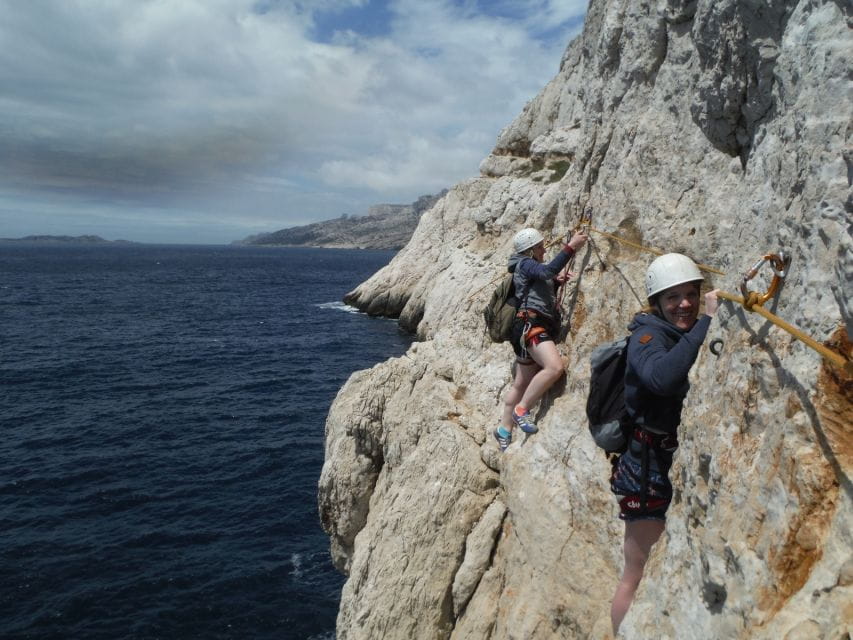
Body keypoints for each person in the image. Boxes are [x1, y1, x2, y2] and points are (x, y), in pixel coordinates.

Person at [609, 253, 720, 633]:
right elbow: (661, 379)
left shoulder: (671, 332)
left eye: (691, 294)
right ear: (656, 302)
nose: (684, 304)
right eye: (673, 297)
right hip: (645, 471)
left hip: (662, 460)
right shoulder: (647, 337)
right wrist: (706, 322)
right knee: (637, 571)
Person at [494, 226, 589, 451]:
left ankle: (504, 429)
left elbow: (539, 285)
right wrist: (571, 247)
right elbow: (547, 272)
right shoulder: (526, 263)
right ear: (530, 250)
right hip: (531, 325)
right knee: (554, 367)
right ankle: (522, 410)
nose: (544, 250)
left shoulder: (525, 266)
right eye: (540, 247)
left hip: (524, 327)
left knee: (521, 383)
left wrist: (556, 283)